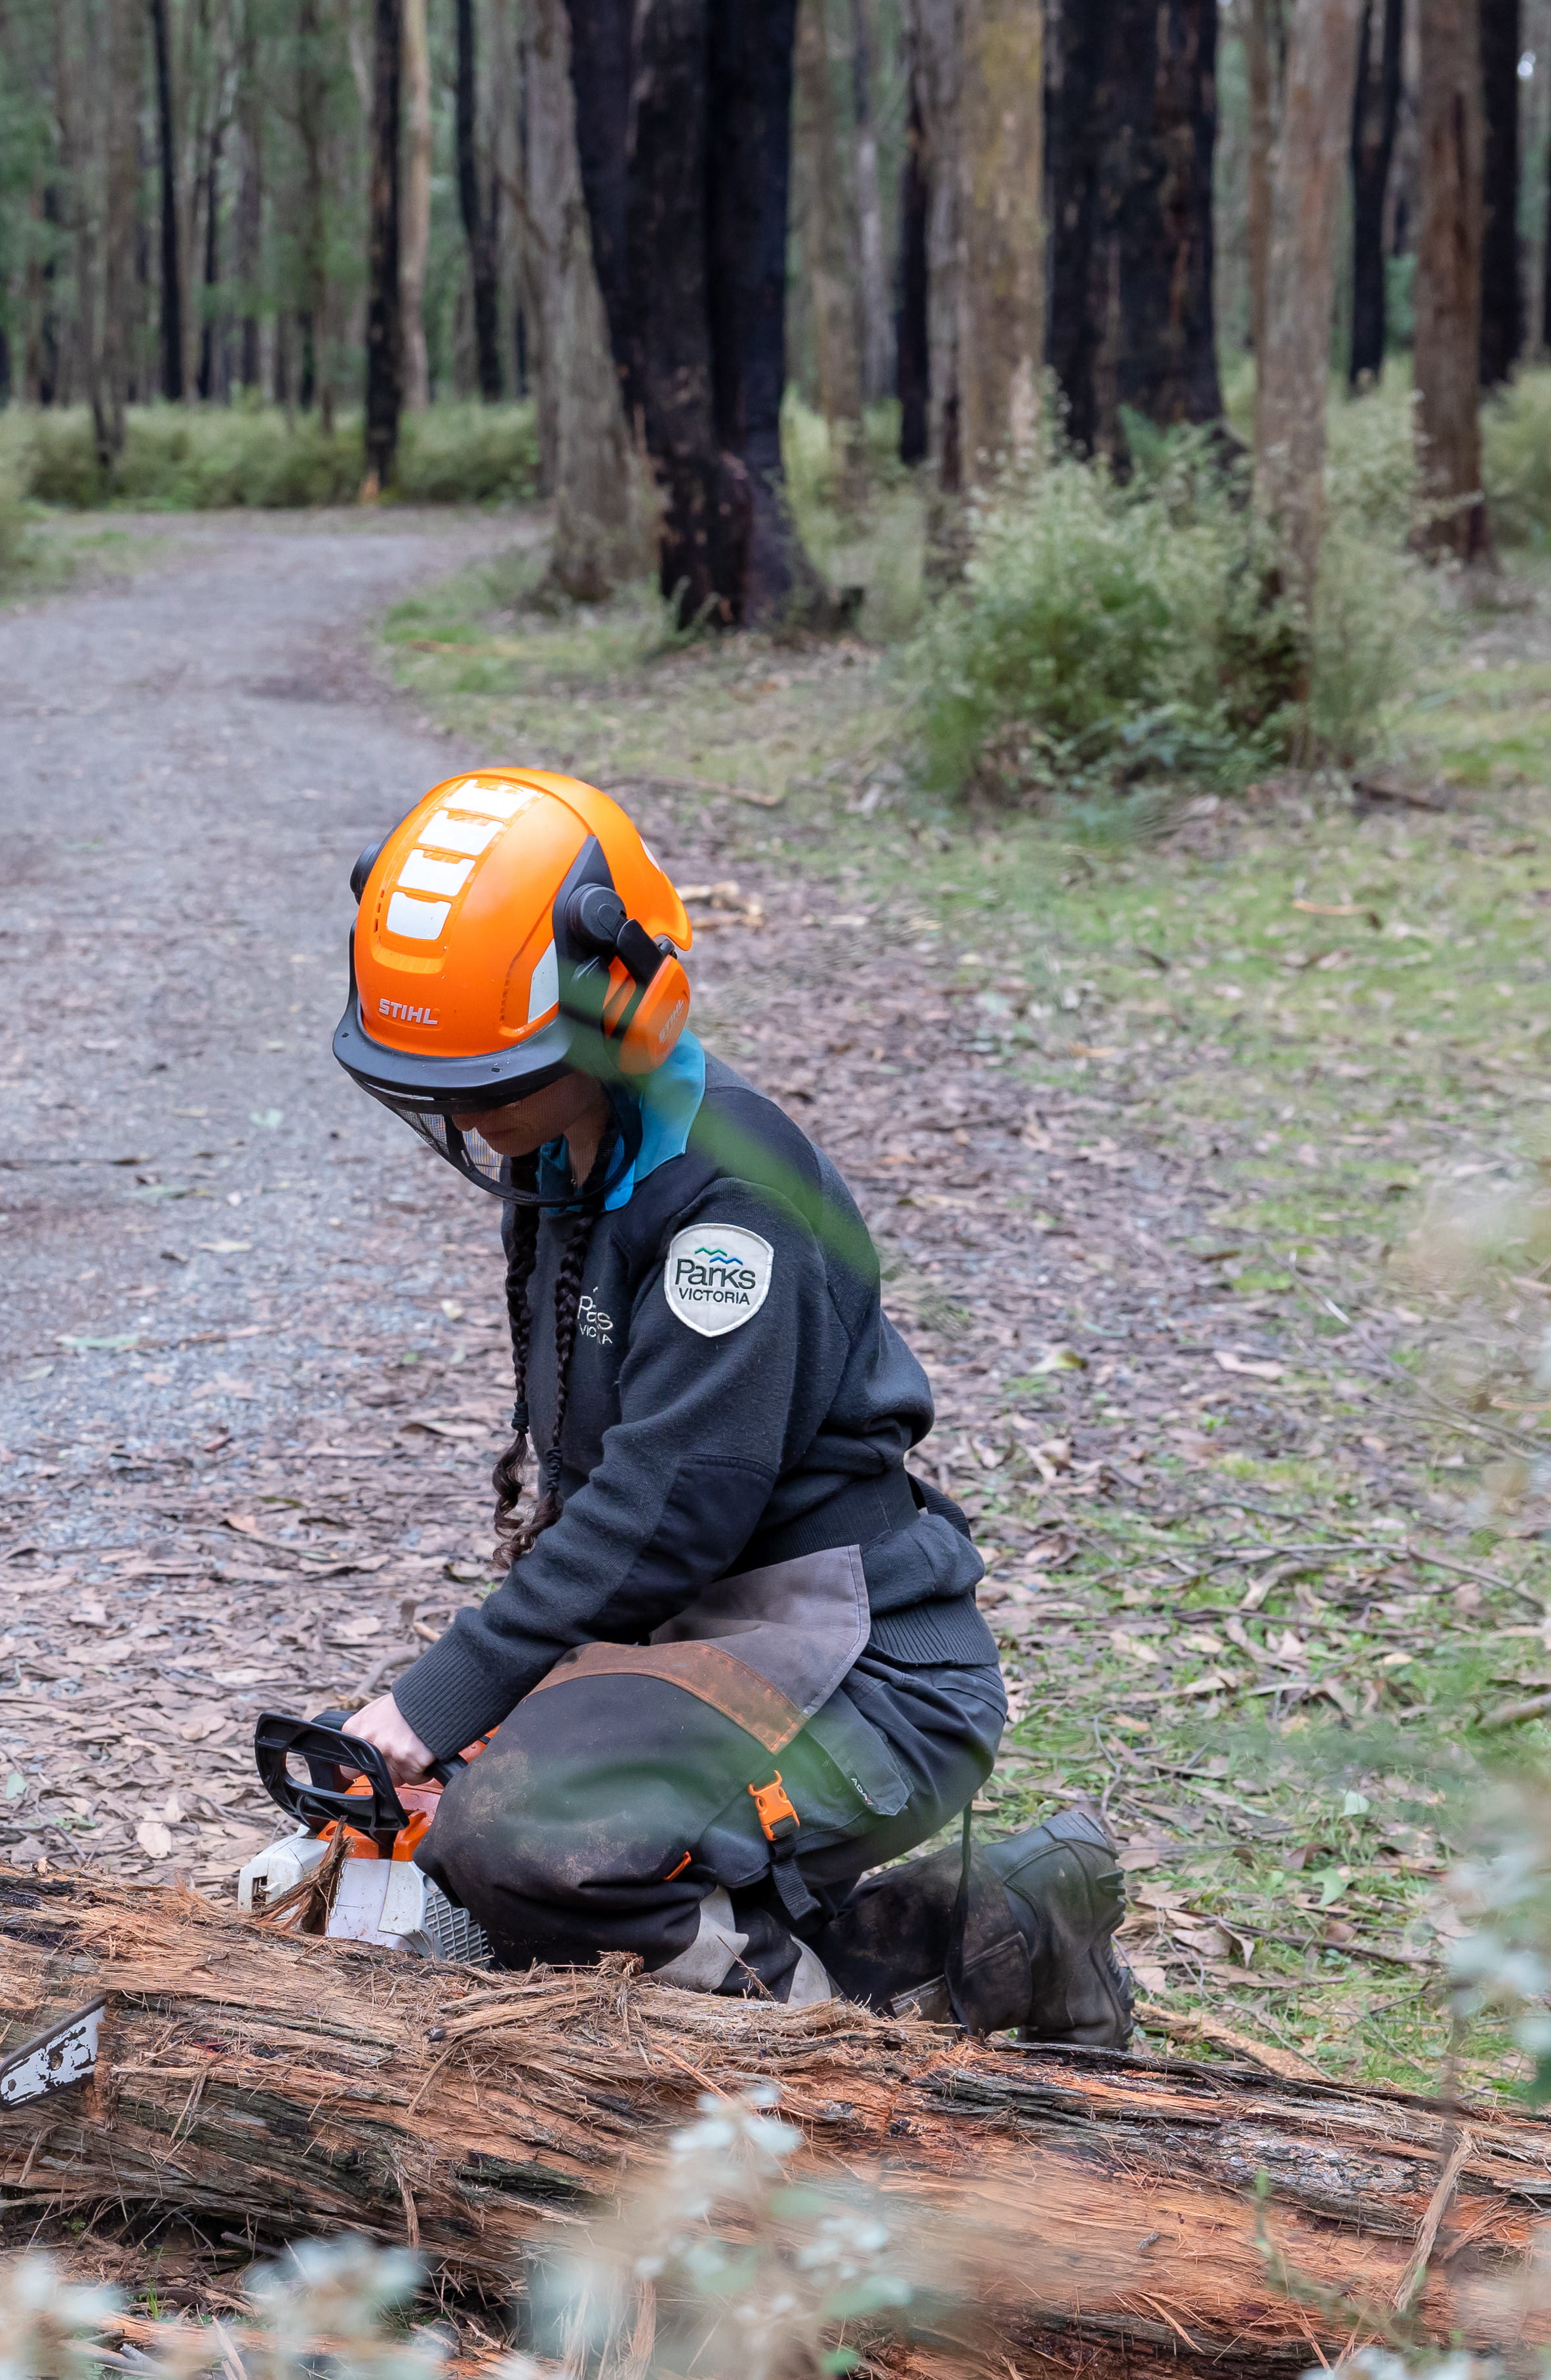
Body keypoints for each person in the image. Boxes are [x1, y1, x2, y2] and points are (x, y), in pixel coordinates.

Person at [324, 768, 1133, 2039]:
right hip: (694, 1638)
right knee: (463, 1852)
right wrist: (498, 1715)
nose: (472, 1117)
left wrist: (445, 1701)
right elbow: (597, 1482)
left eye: (499, 1079)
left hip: (857, 1664)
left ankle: (907, 2045)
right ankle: (957, 1930)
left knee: (534, 1849)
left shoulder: (728, 1204)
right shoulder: (565, 1160)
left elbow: (670, 1507)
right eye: (451, 1087)